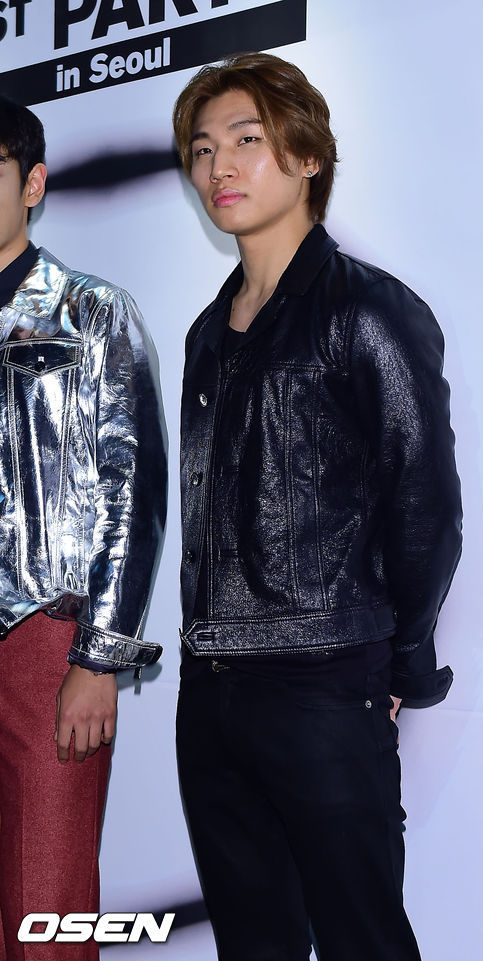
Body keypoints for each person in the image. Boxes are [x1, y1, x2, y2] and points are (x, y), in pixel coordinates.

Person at [173, 52, 462, 961]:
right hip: (210, 690)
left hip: (325, 683)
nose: (219, 166)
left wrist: (401, 662)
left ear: (307, 157)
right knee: (253, 945)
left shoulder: (369, 312)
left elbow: (425, 508)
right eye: (202, 149)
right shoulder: (205, 334)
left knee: (362, 940)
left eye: (246, 140)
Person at [0, 96, 167, 960]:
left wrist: (99, 657)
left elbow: (134, 489)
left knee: (48, 903)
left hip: (45, 639)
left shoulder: (92, 311)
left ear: (32, 184)